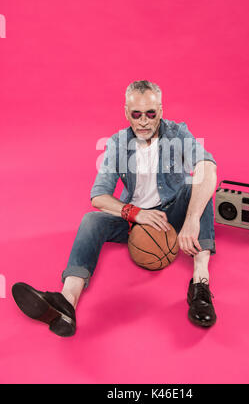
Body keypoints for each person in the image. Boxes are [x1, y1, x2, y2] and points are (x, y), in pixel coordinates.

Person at [12, 80, 218, 337]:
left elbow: (208, 167)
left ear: (161, 111)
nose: (144, 121)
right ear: (126, 112)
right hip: (135, 220)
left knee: (200, 185)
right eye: (136, 114)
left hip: (173, 213)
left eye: (151, 113)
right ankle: (67, 302)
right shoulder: (118, 143)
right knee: (91, 220)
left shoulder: (178, 134)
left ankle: (200, 284)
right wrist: (136, 214)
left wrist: (191, 221)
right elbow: (98, 196)